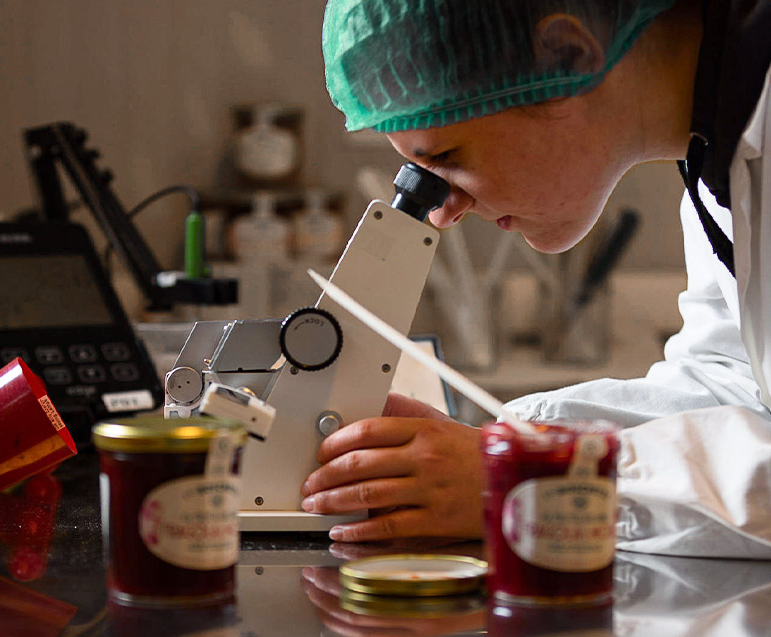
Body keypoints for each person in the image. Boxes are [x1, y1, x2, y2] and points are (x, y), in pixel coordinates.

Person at [302, 0, 771, 557]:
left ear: (564, 57)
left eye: (447, 156)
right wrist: (507, 446)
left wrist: (530, 480)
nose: (442, 212)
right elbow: (735, 385)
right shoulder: (719, 144)